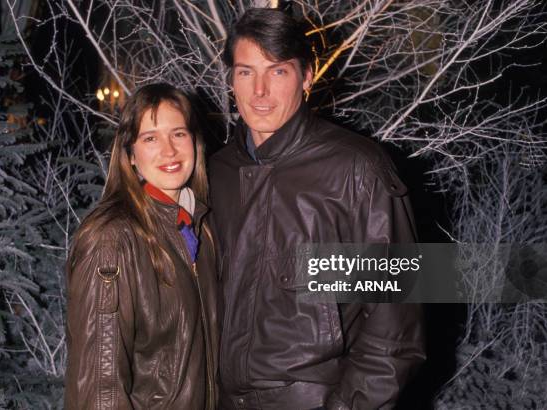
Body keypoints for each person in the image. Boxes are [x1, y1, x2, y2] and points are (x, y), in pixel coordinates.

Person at [209, 8, 425, 410]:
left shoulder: (356, 169)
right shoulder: (216, 172)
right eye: (245, 72)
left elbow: (394, 332)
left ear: (307, 77)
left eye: (277, 72)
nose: (259, 91)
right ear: (230, 79)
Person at [65, 83, 218, 409]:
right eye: (151, 138)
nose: (169, 150)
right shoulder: (111, 240)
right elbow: (100, 388)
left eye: (178, 134)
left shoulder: (199, 226)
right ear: (130, 155)